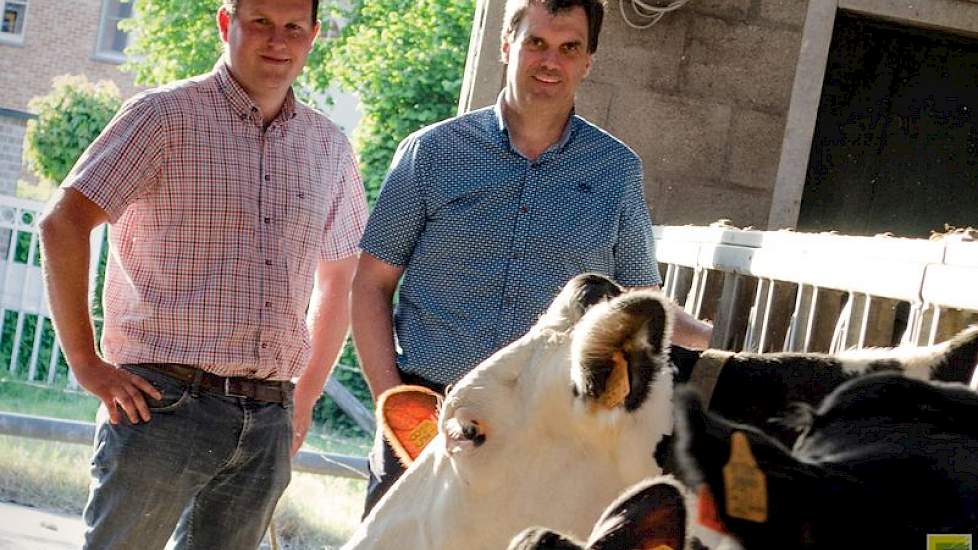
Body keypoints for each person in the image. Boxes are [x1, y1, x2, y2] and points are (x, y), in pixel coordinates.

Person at [352, 0, 712, 515]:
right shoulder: (431, 153)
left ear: (588, 61)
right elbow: (371, 283)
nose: (551, 61)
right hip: (431, 416)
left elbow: (635, 301)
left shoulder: (617, 171)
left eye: (570, 48)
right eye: (536, 43)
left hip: (547, 437)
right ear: (507, 45)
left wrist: (710, 344)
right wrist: (397, 410)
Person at [37, 0, 367, 547]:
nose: (277, 41)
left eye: (293, 28)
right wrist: (87, 364)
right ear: (225, 23)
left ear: (312, 37)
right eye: (260, 22)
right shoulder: (163, 117)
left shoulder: (328, 147)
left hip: (268, 418)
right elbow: (63, 223)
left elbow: (341, 278)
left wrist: (302, 400)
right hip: (161, 405)